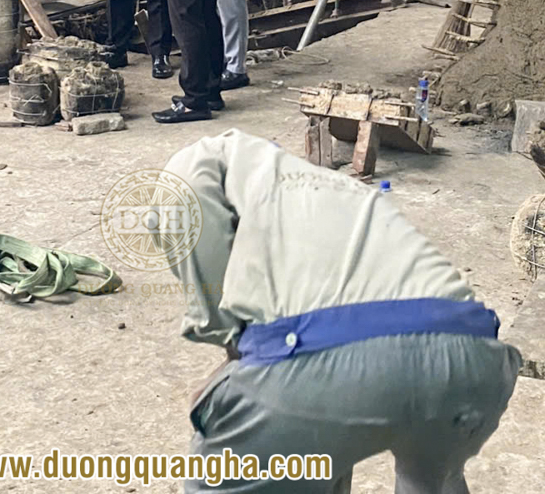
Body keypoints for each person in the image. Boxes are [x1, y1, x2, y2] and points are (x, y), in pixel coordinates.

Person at [156, 128, 521, 493]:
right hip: (476, 359)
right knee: (429, 479)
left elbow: (212, 286)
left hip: (341, 369)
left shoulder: (195, 165)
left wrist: (232, 362)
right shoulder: (327, 190)